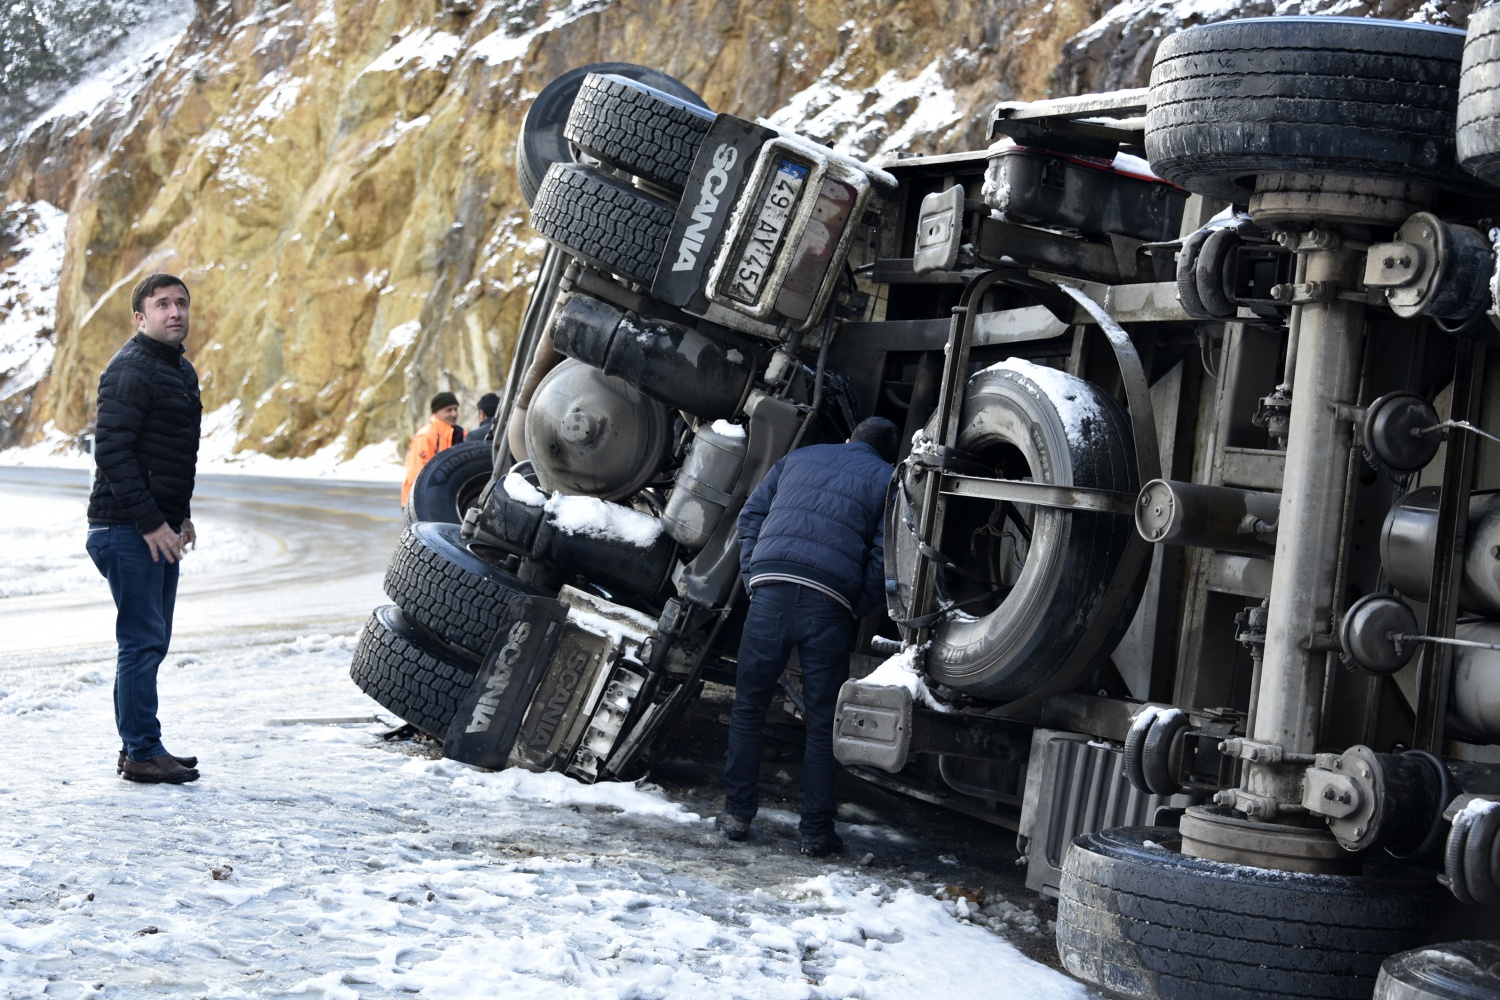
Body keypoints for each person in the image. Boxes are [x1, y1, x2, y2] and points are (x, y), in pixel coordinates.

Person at [719, 416, 899, 856]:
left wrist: (753, 576)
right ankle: (815, 831)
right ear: (886, 453)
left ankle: (737, 815)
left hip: (770, 593)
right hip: (829, 605)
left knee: (748, 707)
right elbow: (884, 555)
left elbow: (751, 515)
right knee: (822, 724)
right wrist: (856, 604)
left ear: (848, 438)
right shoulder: (889, 479)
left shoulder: (797, 458)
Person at [86, 272, 202, 785]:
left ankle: (140, 743)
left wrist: (180, 515)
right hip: (125, 528)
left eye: (181, 304)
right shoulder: (130, 369)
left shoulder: (179, 369)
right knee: (141, 641)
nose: (174, 312)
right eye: (162, 305)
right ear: (141, 317)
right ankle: (141, 751)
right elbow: (112, 451)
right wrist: (153, 522)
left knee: (151, 641)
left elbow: (169, 455)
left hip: (155, 526)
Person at [401, 391, 464, 508]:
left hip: (442, 499)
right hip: (417, 502)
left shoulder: (459, 433)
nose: (454, 414)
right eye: (449, 410)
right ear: (436, 412)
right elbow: (418, 475)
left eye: (456, 409)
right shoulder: (426, 436)